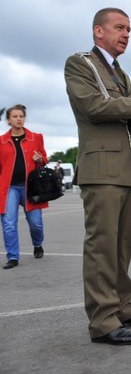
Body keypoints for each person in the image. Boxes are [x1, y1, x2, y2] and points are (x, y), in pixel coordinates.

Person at [65, 7, 131, 345]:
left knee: (121, 246)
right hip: (101, 171)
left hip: (125, 170)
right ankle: (103, 321)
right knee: (101, 247)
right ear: (99, 31)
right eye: (119, 27)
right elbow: (94, 108)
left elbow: (129, 123)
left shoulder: (120, 73)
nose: (126, 34)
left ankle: (123, 306)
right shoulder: (80, 63)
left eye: (129, 29)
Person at [0, 104, 48, 269]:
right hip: (9, 188)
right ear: (8, 120)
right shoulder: (1, 141)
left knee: (36, 223)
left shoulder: (36, 137)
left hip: (31, 186)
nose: (19, 118)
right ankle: (13, 257)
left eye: (21, 116)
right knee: (8, 223)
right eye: (15, 116)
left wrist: (39, 159)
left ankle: (37, 244)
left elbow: (44, 158)